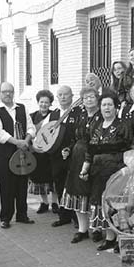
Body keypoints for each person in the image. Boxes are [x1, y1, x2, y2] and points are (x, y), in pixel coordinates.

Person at [81, 90, 132, 251]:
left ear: (116, 107)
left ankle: (120, 239)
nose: (107, 108)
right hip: (97, 171)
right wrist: (85, 169)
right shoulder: (96, 125)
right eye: (104, 105)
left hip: (116, 171)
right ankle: (110, 238)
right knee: (103, 205)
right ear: (100, 107)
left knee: (117, 206)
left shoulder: (123, 125)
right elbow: (90, 150)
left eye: (110, 104)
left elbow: (128, 148)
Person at [0, 82, 36, 229]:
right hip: (4, 154)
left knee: (22, 184)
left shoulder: (22, 108)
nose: (8, 94)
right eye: (4, 92)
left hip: (22, 153)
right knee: (6, 186)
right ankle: (6, 217)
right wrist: (17, 142)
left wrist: (26, 141)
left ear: (14, 92)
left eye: (10, 91)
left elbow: (31, 127)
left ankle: (22, 215)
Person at [63, 87, 102, 243]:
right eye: (85, 98)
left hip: (95, 159)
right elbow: (74, 138)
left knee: (94, 194)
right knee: (78, 193)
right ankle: (82, 229)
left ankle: (97, 228)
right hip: (77, 159)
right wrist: (68, 149)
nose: (89, 100)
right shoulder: (81, 116)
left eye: (92, 97)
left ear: (97, 99)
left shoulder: (102, 116)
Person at [50, 85, 80, 227]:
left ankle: (76, 218)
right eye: (60, 95)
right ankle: (64, 216)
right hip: (56, 156)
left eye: (66, 94)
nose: (63, 97)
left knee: (73, 186)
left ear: (72, 96)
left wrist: (70, 149)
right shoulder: (54, 114)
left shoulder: (79, 112)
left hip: (72, 155)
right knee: (60, 185)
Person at [29, 90, 56, 214]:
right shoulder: (32, 116)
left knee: (53, 178)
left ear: (50, 104)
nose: (44, 104)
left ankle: (55, 203)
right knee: (39, 179)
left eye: (47, 102)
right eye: (41, 102)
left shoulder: (55, 115)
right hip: (37, 153)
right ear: (38, 102)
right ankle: (44, 203)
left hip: (50, 153)